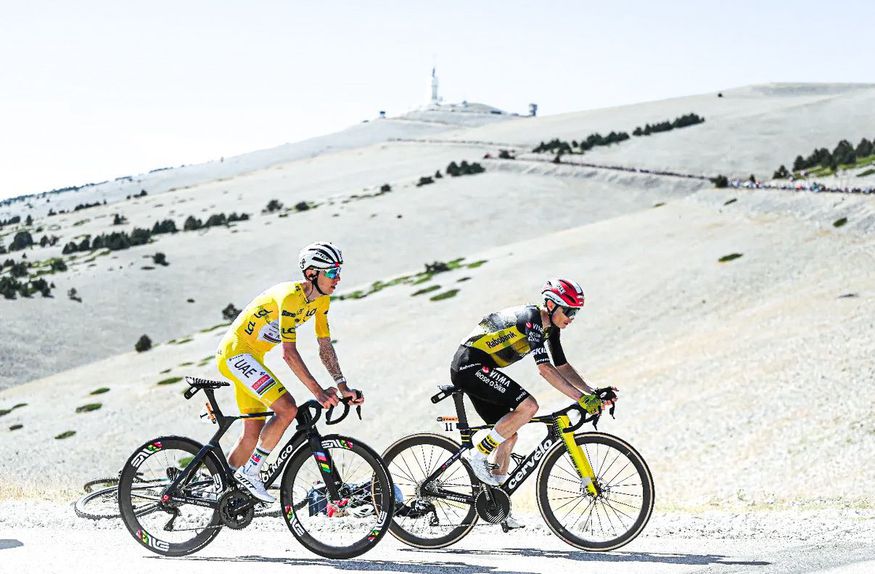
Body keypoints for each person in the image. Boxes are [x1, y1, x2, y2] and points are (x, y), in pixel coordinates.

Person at [215, 241, 363, 503]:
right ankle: (251, 472)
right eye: (331, 272)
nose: (337, 278)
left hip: (251, 356)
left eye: (339, 270)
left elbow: (324, 345)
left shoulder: (320, 301)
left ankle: (221, 492)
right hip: (236, 354)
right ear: (311, 274)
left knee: (252, 434)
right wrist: (317, 392)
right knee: (287, 408)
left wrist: (342, 386)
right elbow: (288, 354)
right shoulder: (290, 297)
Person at [451, 278, 609, 496]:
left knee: (508, 434)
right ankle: (477, 455)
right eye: (569, 312)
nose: (572, 318)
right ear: (552, 305)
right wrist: (580, 399)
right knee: (529, 407)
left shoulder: (550, 328)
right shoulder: (531, 319)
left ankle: (498, 498)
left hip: (479, 369)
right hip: (468, 366)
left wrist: (594, 392)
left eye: (576, 313)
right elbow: (545, 369)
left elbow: (562, 366)